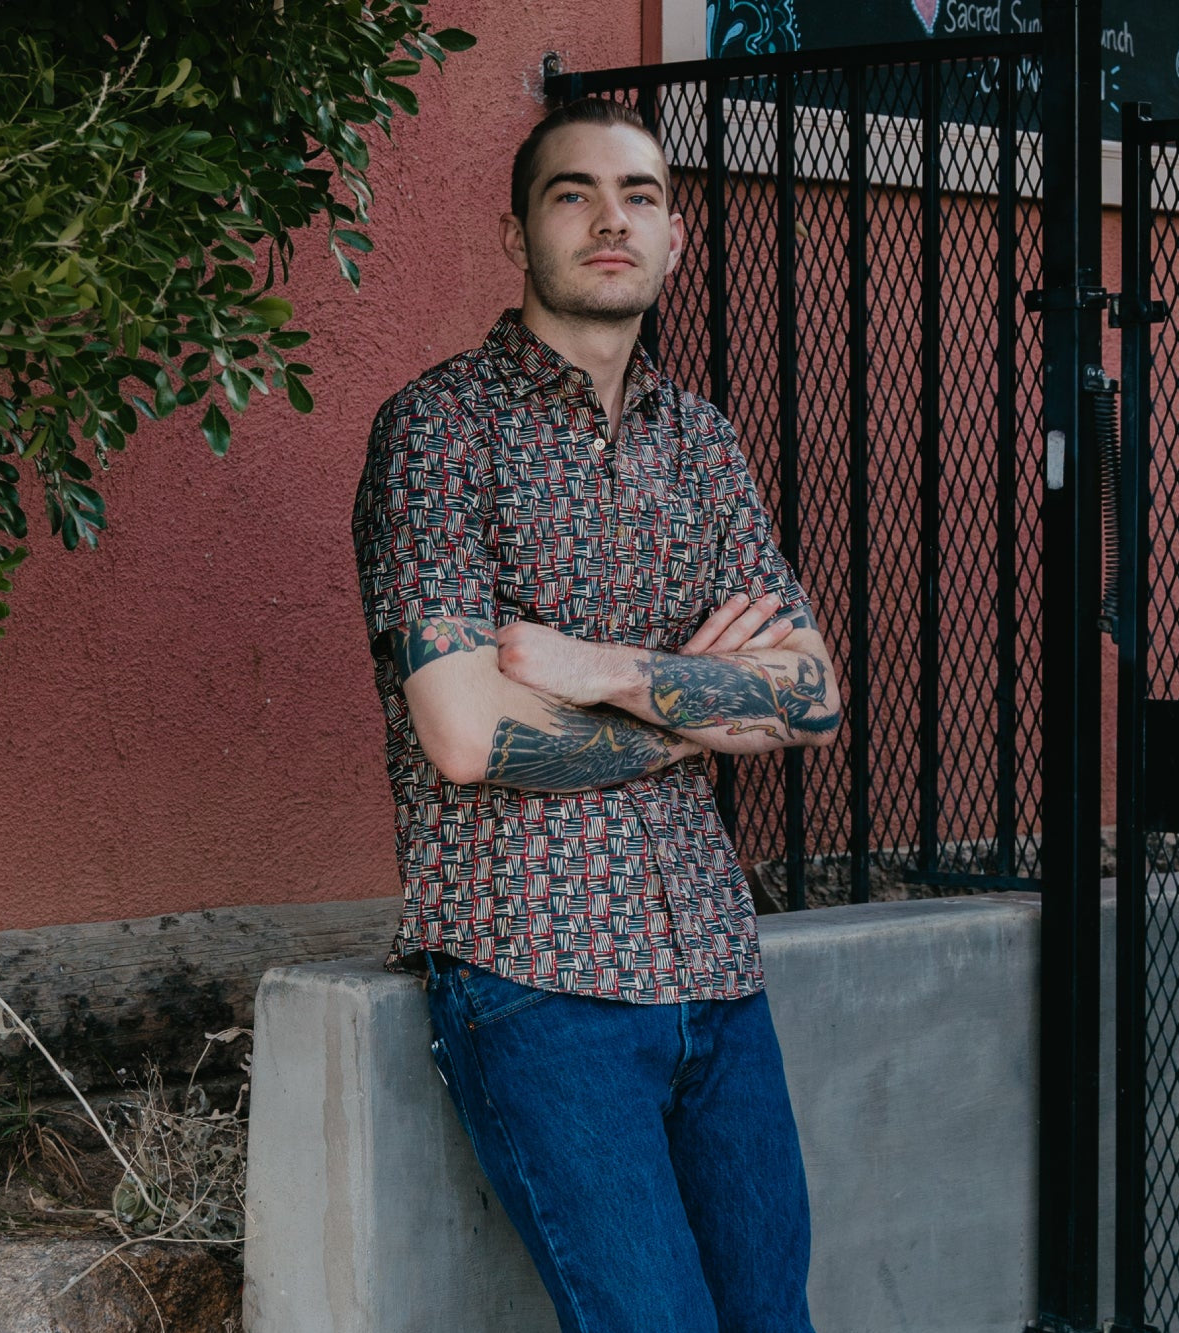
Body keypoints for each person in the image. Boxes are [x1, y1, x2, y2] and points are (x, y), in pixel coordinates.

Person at [352, 96, 841, 1333]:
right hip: (537, 977)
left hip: (715, 967)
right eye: (572, 193)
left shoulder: (703, 444)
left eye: (640, 195)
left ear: (675, 234)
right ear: (517, 233)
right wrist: (691, 710)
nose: (610, 219)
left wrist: (602, 667)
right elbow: (466, 736)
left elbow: (811, 694)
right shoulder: (439, 433)